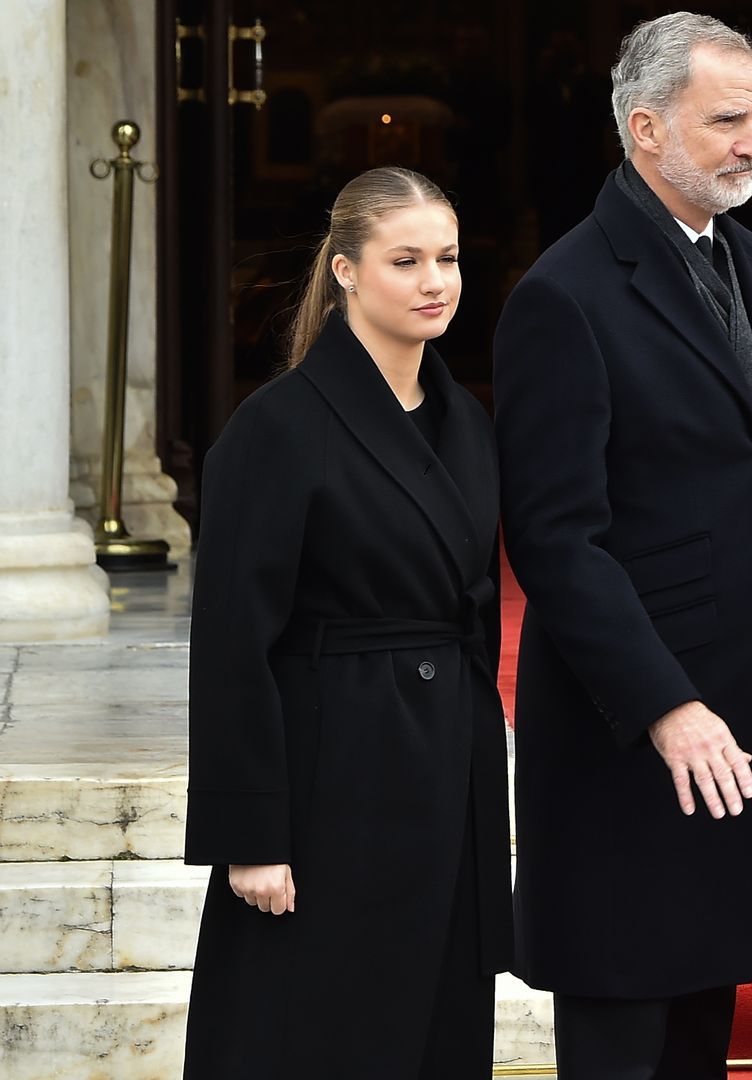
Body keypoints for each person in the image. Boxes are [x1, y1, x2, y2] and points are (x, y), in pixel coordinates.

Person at [492, 13, 752, 1076]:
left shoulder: (749, 259)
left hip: (735, 704)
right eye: (727, 121)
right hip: (625, 726)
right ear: (645, 129)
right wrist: (666, 707)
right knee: (626, 1021)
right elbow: (555, 540)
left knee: (698, 1022)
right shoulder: (563, 297)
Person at [183, 166, 510, 1078]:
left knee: (436, 1024)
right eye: (404, 260)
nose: (434, 280)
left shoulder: (468, 424)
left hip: (444, 764)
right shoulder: (276, 427)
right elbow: (232, 641)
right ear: (345, 273)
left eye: (445, 258)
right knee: (316, 1030)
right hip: (333, 779)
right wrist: (250, 835)